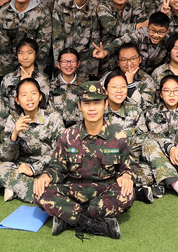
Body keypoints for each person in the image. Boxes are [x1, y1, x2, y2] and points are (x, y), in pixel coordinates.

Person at [34, 81, 135, 239]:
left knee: (127, 193)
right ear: (80, 106)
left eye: (97, 103)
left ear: (105, 104)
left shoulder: (119, 136)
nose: (92, 108)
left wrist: (127, 176)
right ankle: (95, 224)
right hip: (73, 191)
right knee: (39, 192)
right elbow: (57, 167)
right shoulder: (68, 135)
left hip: (105, 191)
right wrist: (46, 175)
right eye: (87, 103)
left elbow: (129, 167)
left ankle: (68, 218)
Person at [0, 78, 64, 203]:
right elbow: (5, 158)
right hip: (22, 167)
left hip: (47, 166)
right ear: (17, 100)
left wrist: (33, 169)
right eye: (24, 95)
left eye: (33, 93)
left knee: (64, 171)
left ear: (40, 96)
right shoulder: (13, 118)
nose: (29, 98)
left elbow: (59, 152)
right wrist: (14, 134)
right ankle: (39, 191)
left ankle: (19, 187)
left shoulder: (53, 117)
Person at [102, 70, 156, 202]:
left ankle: (122, 187)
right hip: (103, 163)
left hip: (128, 162)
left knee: (148, 172)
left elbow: (141, 141)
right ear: (105, 90)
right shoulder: (98, 111)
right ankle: (134, 191)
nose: (119, 91)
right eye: (114, 87)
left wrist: (126, 166)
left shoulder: (135, 112)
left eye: (123, 87)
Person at [0, 0, 53, 76]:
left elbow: (44, 45)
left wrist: (33, 71)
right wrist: (9, 76)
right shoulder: (3, 13)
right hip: (11, 67)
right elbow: (3, 47)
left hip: (35, 66)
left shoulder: (43, 12)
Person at [51, 0, 102, 78]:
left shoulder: (96, 6)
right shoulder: (61, 3)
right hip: (63, 56)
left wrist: (92, 67)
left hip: (84, 58)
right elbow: (57, 35)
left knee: (83, 85)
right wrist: (58, 61)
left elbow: (95, 37)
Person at [0, 39, 51, 118]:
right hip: (13, 123)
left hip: (37, 122)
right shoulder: (8, 79)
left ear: (37, 54)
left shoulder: (43, 79)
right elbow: (2, 110)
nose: (25, 57)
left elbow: (43, 106)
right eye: (21, 53)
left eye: (30, 53)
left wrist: (29, 82)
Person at [48, 48, 84, 127]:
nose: (69, 65)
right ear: (58, 64)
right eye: (64, 62)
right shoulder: (49, 86)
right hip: (56, 129)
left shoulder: (86, 85)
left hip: (79, 129)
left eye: (73, 61)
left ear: (78, 64)